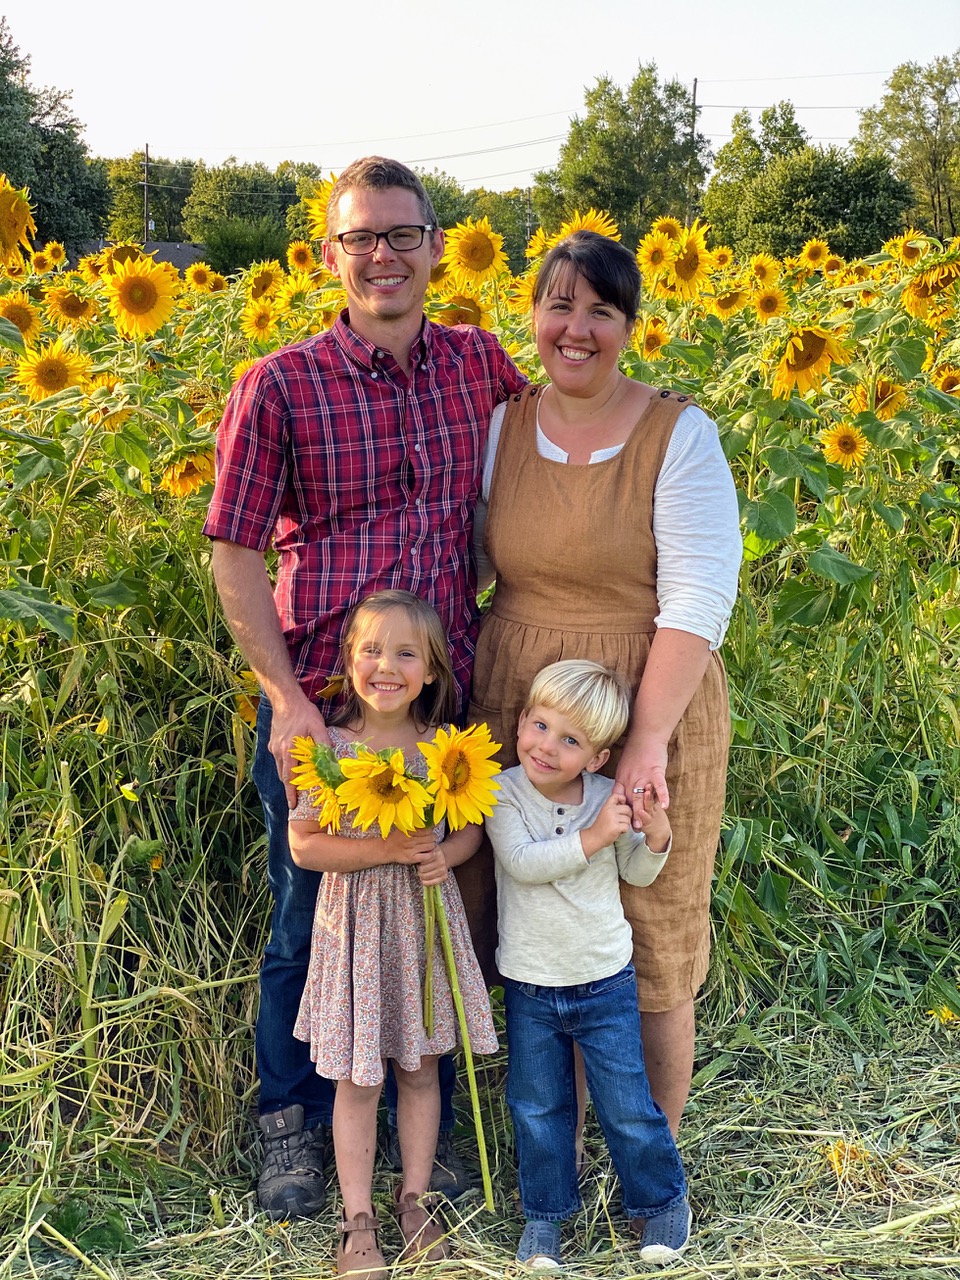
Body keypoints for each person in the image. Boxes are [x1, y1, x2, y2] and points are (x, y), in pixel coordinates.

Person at [203, 155, 526, 1218]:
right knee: (312, 912)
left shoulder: (479, 363)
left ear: (437, 246)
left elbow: (549, 452)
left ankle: (418, 1117)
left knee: (440, 897)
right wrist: (289, 698)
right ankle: (289, 1118)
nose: (381, 255)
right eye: (360, 238)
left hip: (443, 708)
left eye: (401, 234)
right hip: (329, 710)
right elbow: (236, 551)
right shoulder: (282, 383)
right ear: (328, 255)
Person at [467, 229, 742, 1140]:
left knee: (651, 924)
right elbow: (462, 555)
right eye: (559, 304)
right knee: (537, 916)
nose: (575, 328)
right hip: (523, 703)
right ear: (533, 312)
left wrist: (648, 741)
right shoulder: (503, 424)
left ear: (630, 325)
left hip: (648, 694)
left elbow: (701, 595)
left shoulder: (678, 432)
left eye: (601, 310)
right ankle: (558, 1144)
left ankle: (648, 1154)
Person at [288, 590, 497, 1280]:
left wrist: (447, 855)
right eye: (371, 650)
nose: (387, 666)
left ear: (432, 671)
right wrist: (388, 850)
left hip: (421, 932)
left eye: (406, 653)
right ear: (349, 662)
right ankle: (357, 1218)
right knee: (357, 1078)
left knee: (420, 1067)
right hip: (355, 932)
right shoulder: (331, 750)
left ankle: (415, 1197)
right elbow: (306, 848)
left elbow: (467, 828)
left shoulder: (445, 751)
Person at [487, 660, 691, 1267]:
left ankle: (661, 1201)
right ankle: (546, 1218)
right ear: (521, 720)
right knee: (538, 1104)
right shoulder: (502, 792)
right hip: (531, 979)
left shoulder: (607, 798)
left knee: (627, 1099)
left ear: (597, 758)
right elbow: (524, 862)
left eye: (570, 740)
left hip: (604, 976)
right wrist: (597, 836)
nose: (547, 747)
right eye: (540, 725)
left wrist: (653, 833)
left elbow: (636, 872)